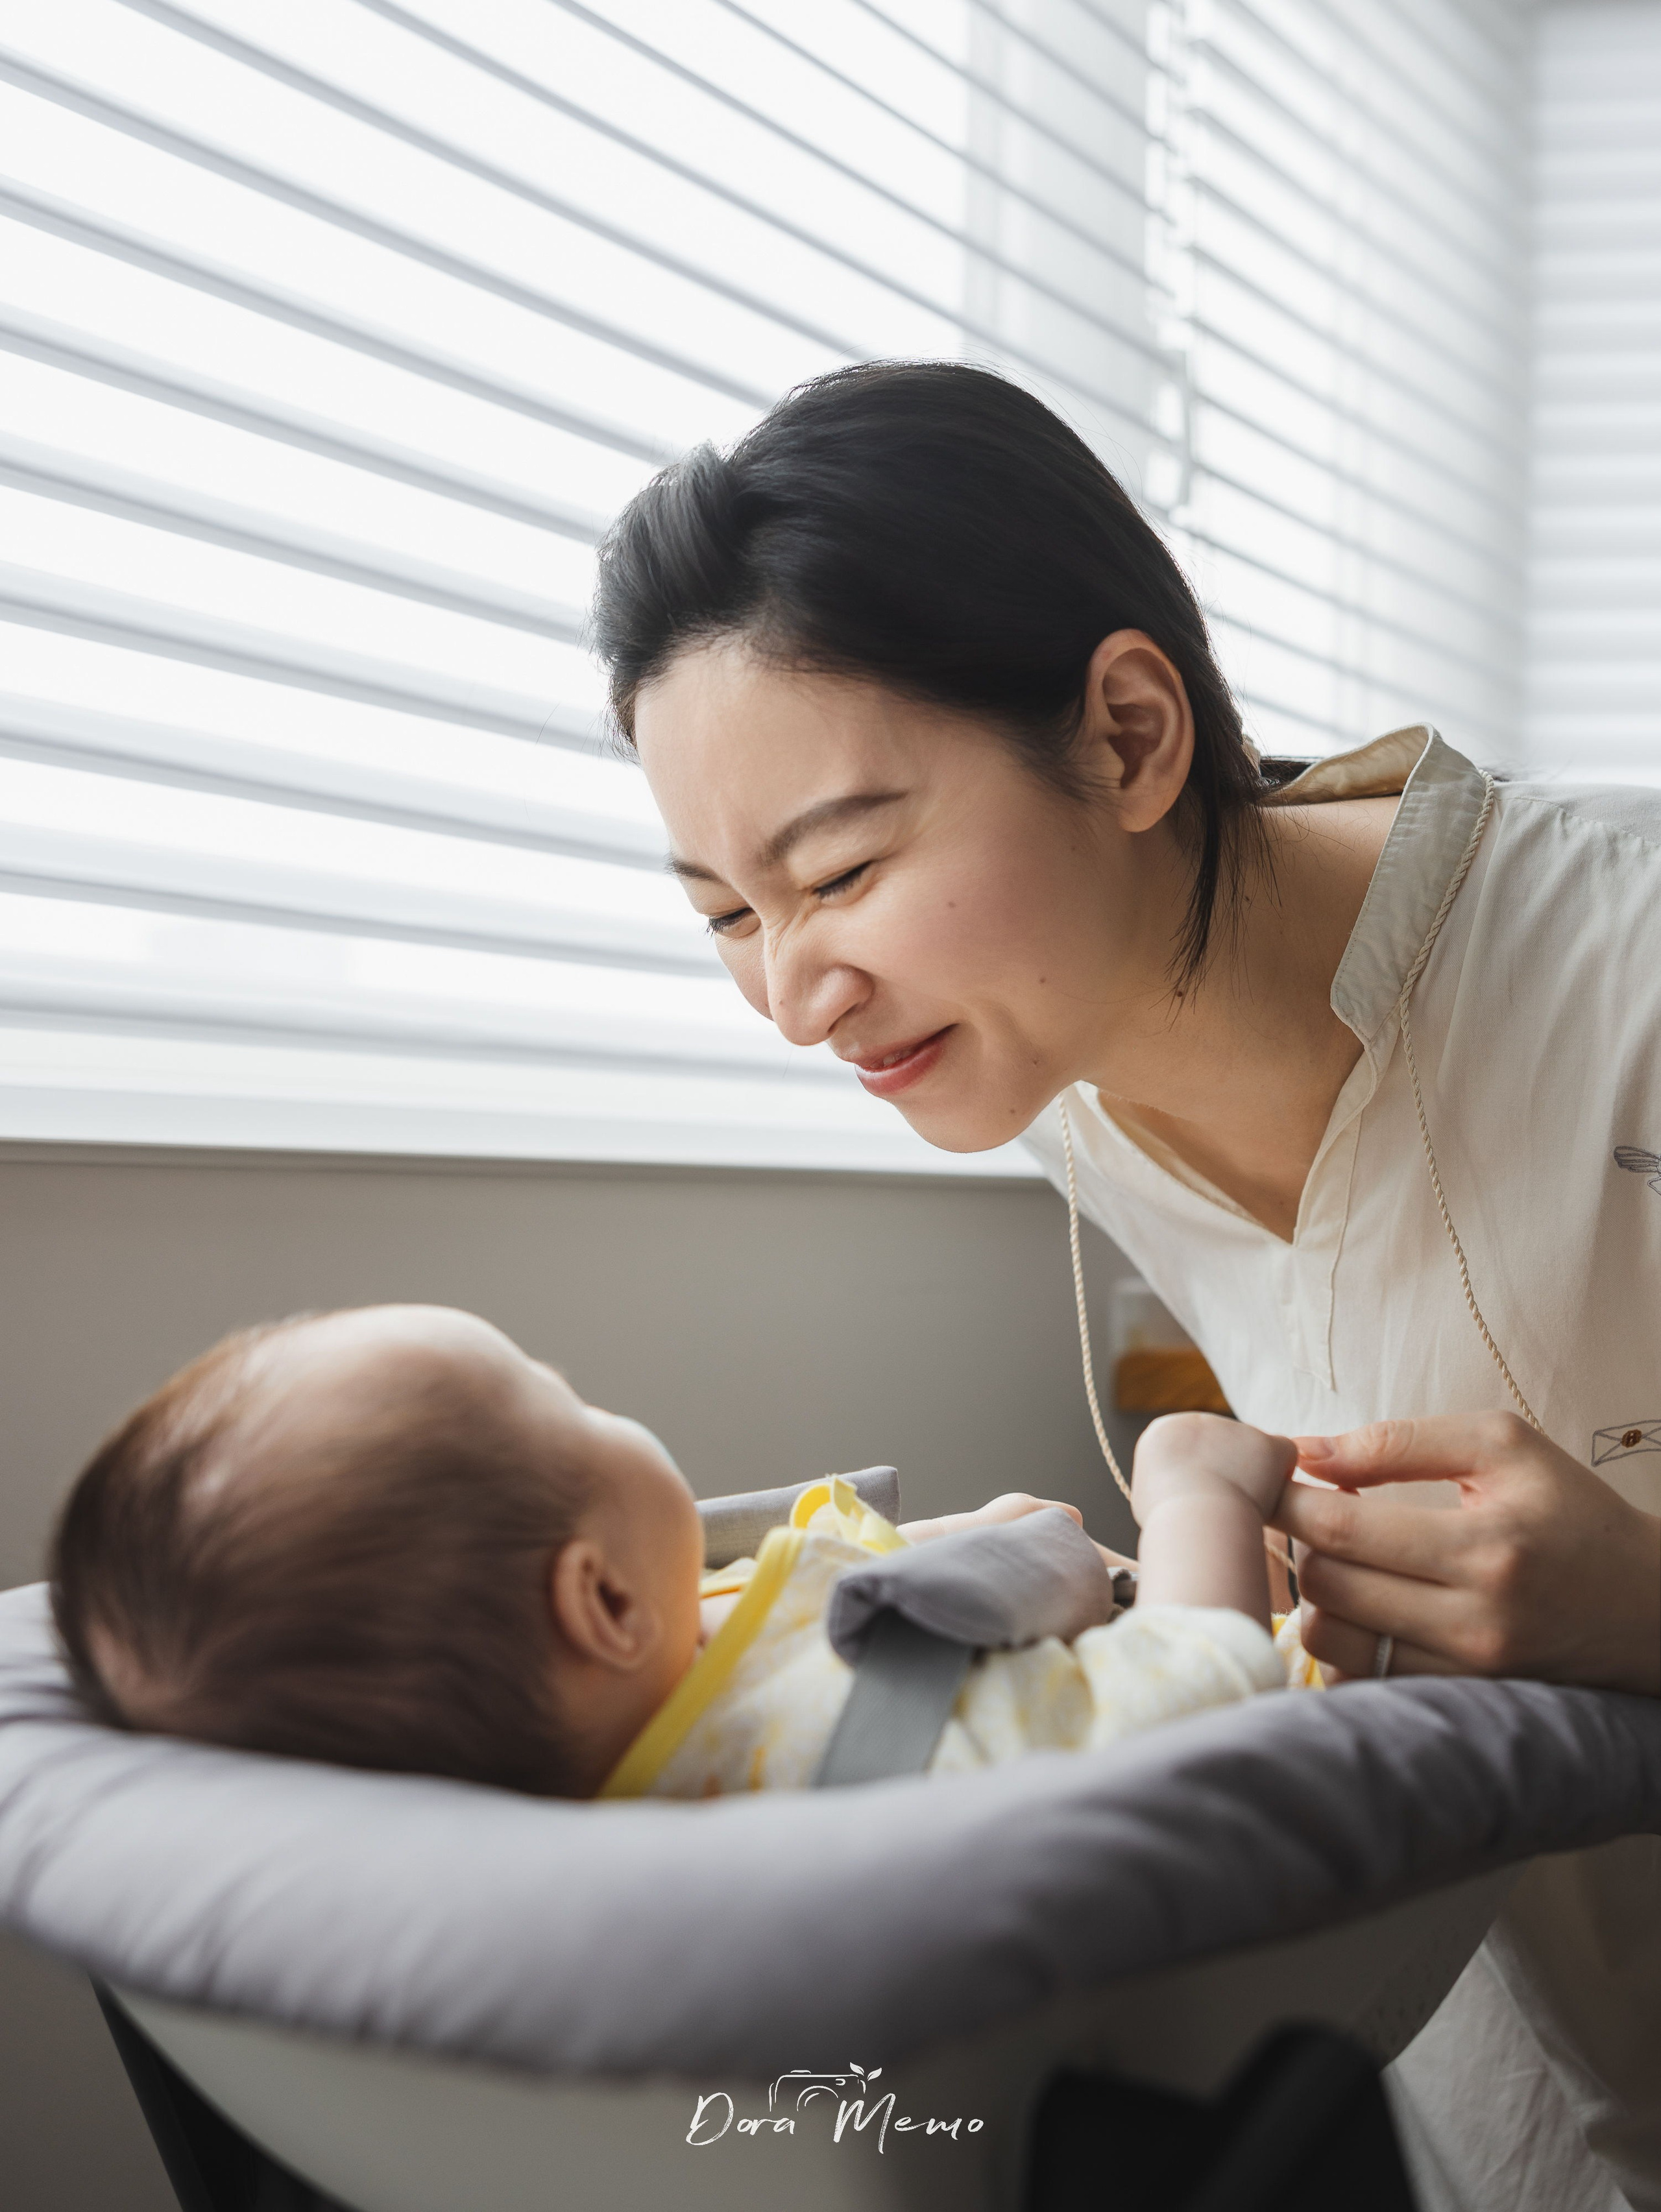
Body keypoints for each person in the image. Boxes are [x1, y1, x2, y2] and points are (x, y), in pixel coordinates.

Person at [591, 361, 1661, 2208]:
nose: (792, 996)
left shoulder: (1622, 968)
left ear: (1131, 736)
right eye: (727, 916)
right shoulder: (1056, 1093)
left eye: (841, 868)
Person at [50, 1304, 1301, 1801]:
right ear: (597, 1598)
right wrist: (1199, 1503)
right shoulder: (834, 1745)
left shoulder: (640, 1676)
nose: (602, 1409)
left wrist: (969, 1548)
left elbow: (772, 1598)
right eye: (568, 1400)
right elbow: (1191, 1708)